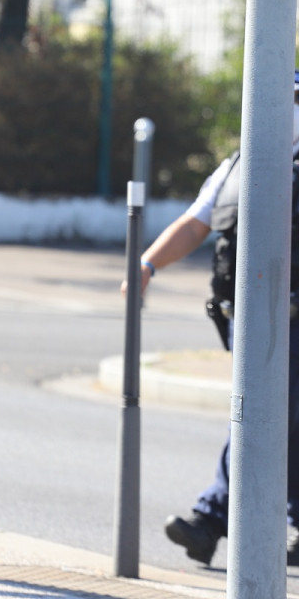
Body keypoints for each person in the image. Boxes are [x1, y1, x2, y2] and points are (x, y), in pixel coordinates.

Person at [124, 72, 299, 567]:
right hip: (254, 317)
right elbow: (197, 222)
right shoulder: (239, 165)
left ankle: (210, 518)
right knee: (270, 412)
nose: (279, 110)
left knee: (265, 412)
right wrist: (147, 263)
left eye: (290, 100)